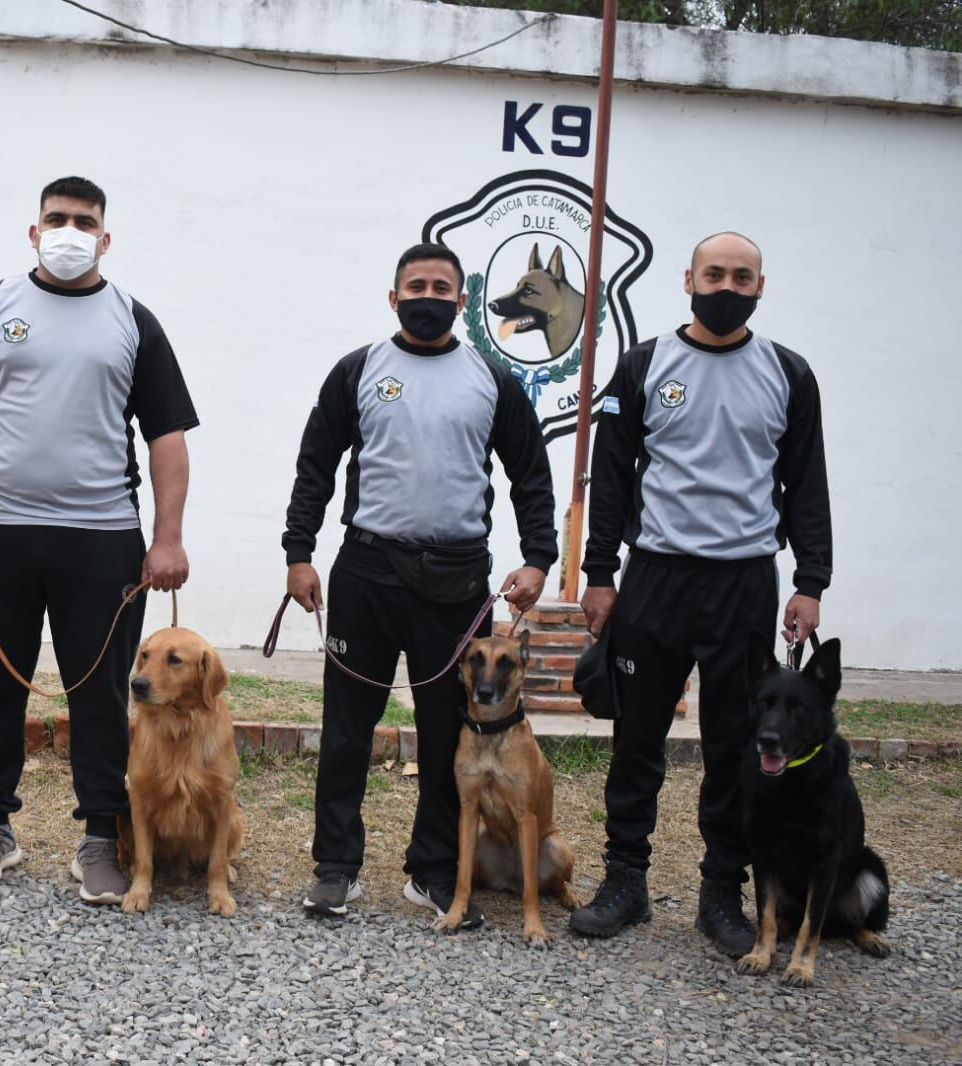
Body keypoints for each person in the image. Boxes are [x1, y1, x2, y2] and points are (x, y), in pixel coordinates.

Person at [0, 176, 197, 906]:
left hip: (102, 541)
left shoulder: (133, 321)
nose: (69, 230)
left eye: (84, 221)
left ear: (105, 237)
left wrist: (167, 539)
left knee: (99, 694)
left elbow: (165, 435)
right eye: (56, 219)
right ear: (34, 232)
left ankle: (100, 835)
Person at [569, 231, 831, 957]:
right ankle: (624, 879)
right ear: (687, 277)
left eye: (740, 276)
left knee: (735, 746)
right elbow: (612, 476)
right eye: (713, 272)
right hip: (656, 577)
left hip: (744, 582)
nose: (725, 284)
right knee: (636, 738)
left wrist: (810, 581)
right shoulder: (644, 364)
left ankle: (722, 890)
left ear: (759, 285)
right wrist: (598, 574)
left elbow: (806, 482)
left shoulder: (787, 372)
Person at [283, 242, 557, 919]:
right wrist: (298, 552)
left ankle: (432, 870)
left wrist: (537, 557)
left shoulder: (490, 380)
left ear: (461, 301)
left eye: (441, 286)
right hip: (367, 571)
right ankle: (335, 867)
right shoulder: (359, 371)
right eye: (416, 285)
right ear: (393, 296)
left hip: (455, 578)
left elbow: (529, 475)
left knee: (444, 731)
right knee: (347, 727)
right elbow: (315, 464)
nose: (428, 296)